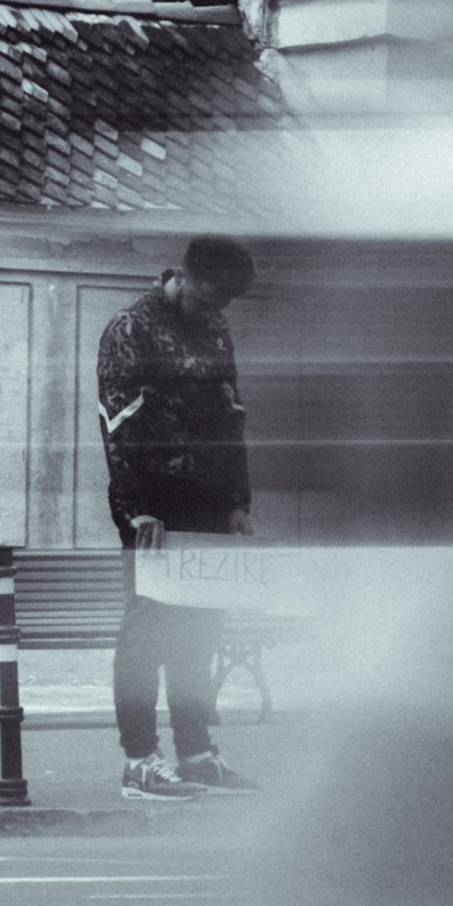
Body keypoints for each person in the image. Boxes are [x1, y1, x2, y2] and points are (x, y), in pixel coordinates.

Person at [97, 236, 260, 799]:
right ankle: (140, 761)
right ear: (182, 276)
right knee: (147, 631)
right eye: (207, 299)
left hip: (210, 502)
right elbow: (119, 424)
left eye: (223, 306)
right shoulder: (131, 329)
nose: (213, 313)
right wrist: (135, 507)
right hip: (154, 507)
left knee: (200, 631)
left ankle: (195, 753)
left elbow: (230, 414)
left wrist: (239, 501)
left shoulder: (215, 326)